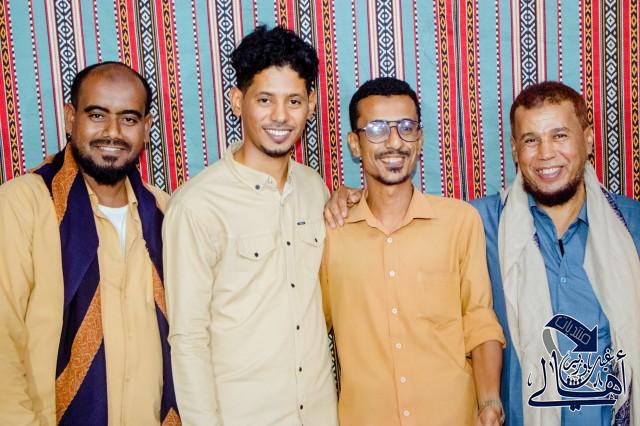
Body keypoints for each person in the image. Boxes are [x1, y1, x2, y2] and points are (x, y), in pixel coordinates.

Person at [325, 81, 640, 426]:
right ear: (515, 150)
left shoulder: (632, 227)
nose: (546, 153)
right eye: (531, 140)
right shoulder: (483, 223)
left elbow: (478, 322)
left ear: (589, 140)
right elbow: (478, 320)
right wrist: (347, 199)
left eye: (560, 136)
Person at [162, 25, 338, 425]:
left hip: (318, 413)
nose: (280, 116)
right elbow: (188, 339)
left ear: (311, 104)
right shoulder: (197, 205)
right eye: (264, 100)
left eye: (294, 101)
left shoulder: (313, 189)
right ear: (237, 101)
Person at [0, 62, 179, 425]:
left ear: (147, 128)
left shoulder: (165, 212)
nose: (112, 132)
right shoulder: (22, 204)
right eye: (97, 115)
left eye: (129, 119)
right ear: (71, 118)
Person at [320, 76, 505, 426]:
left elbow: (479, 320)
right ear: (355, 144)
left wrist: (489, 402)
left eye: (406, 128)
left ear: (419, 139)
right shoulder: (331, 233)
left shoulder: (459, 221)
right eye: (377, 129)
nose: (394, 142)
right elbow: (309, 327)